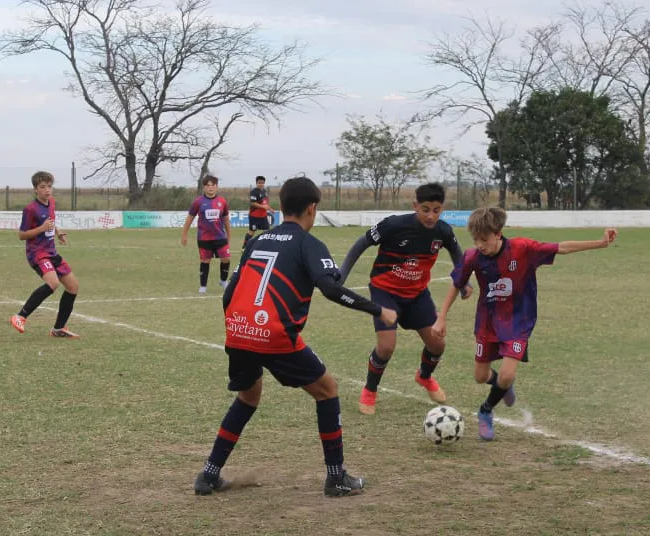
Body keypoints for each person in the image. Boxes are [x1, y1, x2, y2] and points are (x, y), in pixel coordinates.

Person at [194, 176, 399, 498]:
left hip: (238, 329)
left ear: (283, 206)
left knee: (248, 397)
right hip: (273, 334)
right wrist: (379, 311)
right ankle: (336, 478)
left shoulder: (258, 240)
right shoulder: (308, 243)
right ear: (312, 208)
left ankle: (208, 475)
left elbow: (229, 293)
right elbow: (331, 289)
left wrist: (239, 325)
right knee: (327, 390)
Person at [433, 207, 616, 441]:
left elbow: (562, 247)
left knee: (508, 374)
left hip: (518, 321)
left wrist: (600, 243)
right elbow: (456, 283)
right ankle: (502, 387)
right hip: (487, 323)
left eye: (484, 239)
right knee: (480, 376)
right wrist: (442, 317)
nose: (479, 244)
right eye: (476, 239)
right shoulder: (472, 257)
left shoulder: (523, 249)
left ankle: (486, 410)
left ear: (498, 234)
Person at [338, 182, 472, 415]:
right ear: (415, 206)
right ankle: (370, 390)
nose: (431, 215)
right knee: (387, 346)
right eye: (426, 209)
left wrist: (464, 281)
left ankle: (424, 376)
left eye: (437, 210)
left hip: (417, 294)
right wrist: (341, 275)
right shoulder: (393, 225)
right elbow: (362, 243)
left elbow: (456, 252)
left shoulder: (443, 231)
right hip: (385, 291)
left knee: (437, 343)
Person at [9, 170, 80, 338]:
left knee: (73, 287)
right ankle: (20, 316)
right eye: (42, 187)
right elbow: (21, 235)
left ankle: (58, 329)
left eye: (49, 186)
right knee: (53, 283)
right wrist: (41, 229)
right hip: (37, 253)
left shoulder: (52, 203)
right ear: (35, 189)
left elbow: (51, 223)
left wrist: (58, 232)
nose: (47, 190)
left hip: (51, 251)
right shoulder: (30, 209)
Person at [181, 175, 231, 294]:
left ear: (216, 187)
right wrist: (184, 234)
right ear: (204, 187)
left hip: (220, 236)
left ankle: (223, 281)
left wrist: (229, 235)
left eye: (213, 185)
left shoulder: (222, 201)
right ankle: (203, 286)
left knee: (226, 258)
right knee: (205, 261)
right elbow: (189, 218)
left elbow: (226, 219)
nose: (211, 188)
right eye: (208, 185)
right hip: (204, 238)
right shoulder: (198, 202)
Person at [242, 175, 272, 252]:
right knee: (251, 232)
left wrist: (270, 208)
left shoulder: (264, 192)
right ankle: (244, 247)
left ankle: (265, 247)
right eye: (259, 183)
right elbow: (253, 203)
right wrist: (263, 207)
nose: (261, 184)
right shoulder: (254, 192)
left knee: (267, 232)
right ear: (256, 183)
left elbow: (265, 203)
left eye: (262, 183)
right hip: (254, 216)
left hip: (263, 216)